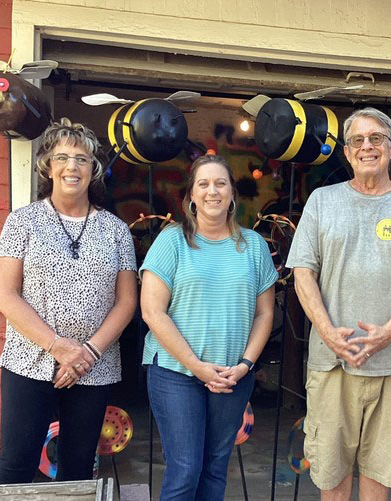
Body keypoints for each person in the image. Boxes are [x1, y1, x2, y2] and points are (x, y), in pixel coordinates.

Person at [286, 108, 391, 501]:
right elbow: (302, 273)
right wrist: (328, 332)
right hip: (331, 362)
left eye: (376, 138)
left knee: (382, 471)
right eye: (357, 140)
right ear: (347, 152)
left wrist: (389, 332)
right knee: (331, 472)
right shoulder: (322, 201)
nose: (367, 147)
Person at [0, 118, 138, 483]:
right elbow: (6, 295)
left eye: (82, 159)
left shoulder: (116, 230)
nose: (72, 166)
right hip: (29, 360)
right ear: (48, 166)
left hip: (94, 365)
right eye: (62, 158)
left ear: (94, 170)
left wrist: (85, 354)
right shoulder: (22, 222)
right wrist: (59, 347)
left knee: (77, 469)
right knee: (15, 465)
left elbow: (126, 303)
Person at [140, 154, 277, 500]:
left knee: (216, 468)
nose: (212, 191)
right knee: (185, 470)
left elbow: (265, 314)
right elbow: (153, 312)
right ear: (191, 196)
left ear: (232, 194)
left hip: (232, 375)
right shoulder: (172, 242)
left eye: (220, 183)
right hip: (177, 372)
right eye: (203, 184)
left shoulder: (254, 246)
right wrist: (198, 367)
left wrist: (245, 365)